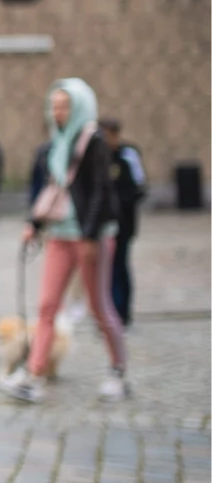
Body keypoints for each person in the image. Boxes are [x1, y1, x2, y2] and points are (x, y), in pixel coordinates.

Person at [0, 79, 128, 403]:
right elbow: (54, 188)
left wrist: (90, 235)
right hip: (59, 234)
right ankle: (34, 375)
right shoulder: (56, 142)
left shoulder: (94, 140)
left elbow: (101, 190)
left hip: (89, 237)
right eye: (54, 106)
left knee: (99, 306)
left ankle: (118, 371)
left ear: (80, 107)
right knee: (47, 306)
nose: (58, 112)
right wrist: (34, 223)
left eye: (65, 106)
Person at [100, 118, 145, 327]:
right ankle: (109, 311)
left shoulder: (127, 155)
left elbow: (139, 188)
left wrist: (117, 204)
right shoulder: (100, 155)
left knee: (120, 265)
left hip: (124, 223)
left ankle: (122, 311)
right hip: (104, 223)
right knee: (106, 268)